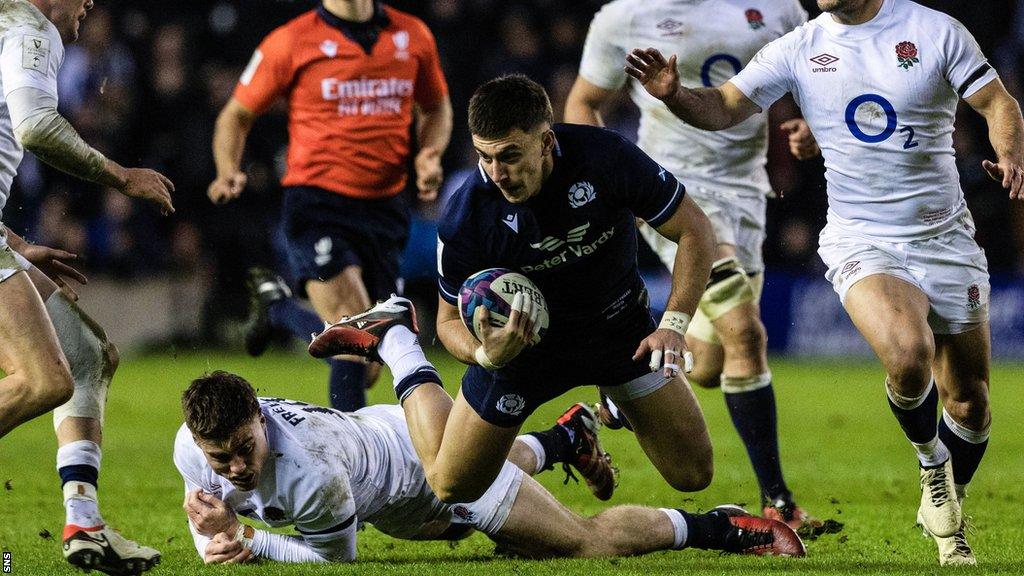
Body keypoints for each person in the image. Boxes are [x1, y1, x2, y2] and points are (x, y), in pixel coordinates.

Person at [622, 0, 1023, 565]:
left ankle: (944, 496)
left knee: (972, 403)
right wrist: (675, 94)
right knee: (908, 355)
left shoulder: (933, 31)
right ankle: (933, 467)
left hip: (946, 238)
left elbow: (996, 102)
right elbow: (724, 106)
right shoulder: (800, 47)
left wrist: (1011, 156)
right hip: (862, 238)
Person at [313, 75, 718, 506]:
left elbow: (695, 230)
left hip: (619, 333)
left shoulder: (605, 157)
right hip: (521, 352)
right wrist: (486, 353)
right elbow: (449, 321)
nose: (497, 173)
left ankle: (614, 396)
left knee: (693, 474)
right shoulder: (467, 215)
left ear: (546, 142)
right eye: (485, 157)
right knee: (452, 486)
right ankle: (399, 341)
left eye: (509, 155)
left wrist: (673, 324)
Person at [564, 0, 820, 528]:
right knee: (746, 334)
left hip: (747, 195)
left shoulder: (780, 9)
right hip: (674, 198)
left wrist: (807, 124)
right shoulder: (626, 15)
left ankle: (607, 408)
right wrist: (616, 182)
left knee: (708, 366)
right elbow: (584, 103)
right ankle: (780, 503)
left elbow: (812, 73)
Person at [174, 369, 806, 564]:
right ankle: (564, 441)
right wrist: (212, 518)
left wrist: (252, 545)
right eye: (217, 457)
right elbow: (210, 502)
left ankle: (716, 528)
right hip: (388, 467)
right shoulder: (193, 444)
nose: (231, 467)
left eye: (243, 450)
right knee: (498, 523)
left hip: (421, 479)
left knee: (580, 544)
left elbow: (336, 559)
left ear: (261, 418)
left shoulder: (311, 472)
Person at [207, 0, 453, 412]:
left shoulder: (414, 35)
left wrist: (429, 153)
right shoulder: (291, 41)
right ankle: (352, 456)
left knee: (373, 358)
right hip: (317, 204)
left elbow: (437, 106)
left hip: (386, 209)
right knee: (355, 341)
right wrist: (226, 169)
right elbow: (235, 115)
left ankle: (280, 309)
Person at [0, 0, 174, 573]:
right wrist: (121, 176)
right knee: (45, 379)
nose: (91, 4)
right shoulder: (31, 28)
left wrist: (19, 247)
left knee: (85, 355)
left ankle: (84, 523)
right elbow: (35, 125)